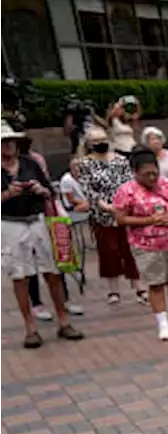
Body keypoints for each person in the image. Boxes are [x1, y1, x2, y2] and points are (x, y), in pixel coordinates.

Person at [0, 121, 83, 349]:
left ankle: (63, 320)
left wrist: (40, 190)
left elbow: (51, 191)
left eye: (11, 142)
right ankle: (31, 328)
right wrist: (7, 194)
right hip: (9, 224)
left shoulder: (30, 163)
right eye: (4, 142)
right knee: (20, 276)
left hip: (37, 220)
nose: (8, 146)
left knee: (52, 271)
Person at [112, 149, 168, 341]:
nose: (151, 177)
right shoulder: (126, 191)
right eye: (146, 174)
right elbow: (121, 219)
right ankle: (162, 322)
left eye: (154, 172)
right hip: (146, 244)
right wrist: (149, 220)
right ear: (136, 172)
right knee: (155, 283)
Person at [79, 125, 143, 306]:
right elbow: (88, 189)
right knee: (109, 251)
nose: (101, 143)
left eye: (103, 139)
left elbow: (130, 183)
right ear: (89, 144)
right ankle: (113, 291)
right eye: (96, 141)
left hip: (125, 211)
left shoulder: (121, 160)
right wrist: (104, 206)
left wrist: (124, 204)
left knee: (130, 249)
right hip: (102, 214)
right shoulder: (85, 164)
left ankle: (139, 287)